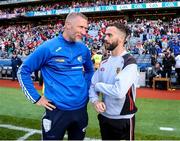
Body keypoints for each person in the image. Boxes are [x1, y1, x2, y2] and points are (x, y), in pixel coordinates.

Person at [17, 12, 94, 140]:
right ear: (68, 25)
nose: (84, 32)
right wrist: (36, 98)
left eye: (86, 28)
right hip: (56, 110)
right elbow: (23, 71)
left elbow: (90, 71)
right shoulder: (48, 47)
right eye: (81, 27)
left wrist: (85, 90)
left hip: (81, 110)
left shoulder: (83, 49)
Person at [89, 22, 138, 140]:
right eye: (105, 35)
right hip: (104, 116)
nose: (105, 38)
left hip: (124, 119)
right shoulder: (104, 61)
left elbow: (119, 91)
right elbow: (91, 85)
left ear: (121, 39)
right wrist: (95, 101)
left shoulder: (129, 62)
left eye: (109, 35)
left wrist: (99, 86)